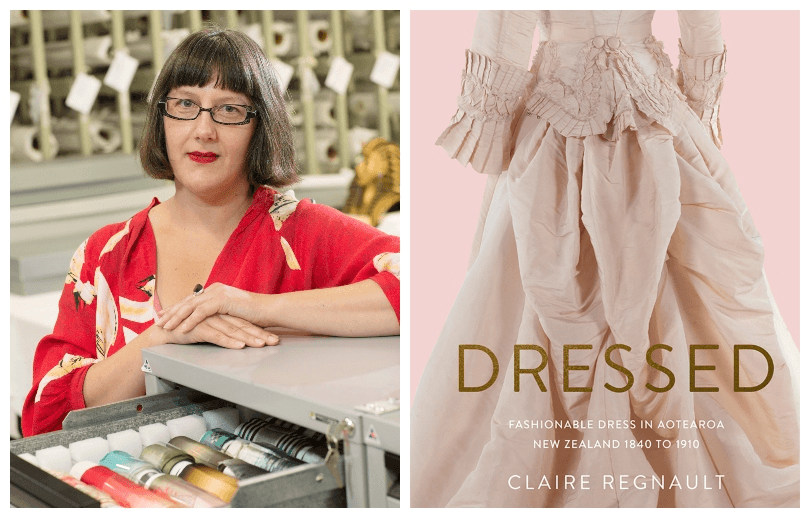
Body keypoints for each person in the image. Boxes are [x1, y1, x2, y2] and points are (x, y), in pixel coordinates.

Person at [411, 11, 798, 507]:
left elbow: (508, 22)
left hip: (563, 111)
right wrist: (698, 100)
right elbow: (701, 17)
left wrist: (488, 117)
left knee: (543, 287)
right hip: (651, 106)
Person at [22, 27, 400, 437]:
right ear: (161, 118)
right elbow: (48, 414)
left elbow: (429, 288)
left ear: (261, 126)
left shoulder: (302, 233)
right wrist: (164, 336)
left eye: (230, 110)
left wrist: (256, 307)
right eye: (185, 104)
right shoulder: (105, 253)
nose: (204, 130)